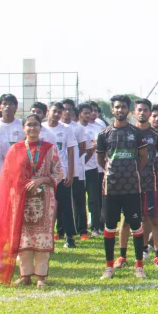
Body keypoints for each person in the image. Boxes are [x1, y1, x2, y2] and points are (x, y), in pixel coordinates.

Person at [0, 112, 65, 287]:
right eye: (29, 125)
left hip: (44, 200)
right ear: (23, 128)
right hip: (21, 201)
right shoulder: (15, 149)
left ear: (40, 128)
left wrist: (41, 180)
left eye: (35, 125)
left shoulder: (50, 148)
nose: (32, 128)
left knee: (42, 238)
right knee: (23, 239)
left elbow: (59, 173)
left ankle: (41, 277)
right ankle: (25, 276)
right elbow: (7, 177)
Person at [96, 95, 150, 279]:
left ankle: (139, 266)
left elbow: (144, 157)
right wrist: (111, 172)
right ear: (112, 110)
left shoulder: (136, 133)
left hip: (132, 188)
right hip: (110, 189)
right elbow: (100, 158)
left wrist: (133, 172)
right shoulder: (104, 134)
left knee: (136, 225)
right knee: (110, 226)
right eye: (117, 107)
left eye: (124, 107)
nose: (120, 110)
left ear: (128, 110)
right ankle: (109, 267)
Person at [40, 102, 78, 248]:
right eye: (54, 111)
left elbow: (70, 151)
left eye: (59, 112)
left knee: (65, 205)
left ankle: (70, 237)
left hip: (61, 173)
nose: (57, 114)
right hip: (44, 174)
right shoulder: (41, 128)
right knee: (44, 206)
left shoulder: (67, 130)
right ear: (49, 111)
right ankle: (45, 235)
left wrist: (71, 173)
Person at [61, 99, 92, 239]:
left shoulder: (78, 128)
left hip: (76, 171)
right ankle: (61, 230)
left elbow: (83, 148)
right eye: (64, 109)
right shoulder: (56, 127)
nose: (67, 112)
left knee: (79, 200)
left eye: (70, 110)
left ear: (74, 113)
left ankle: (82, 230)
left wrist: (73, 161)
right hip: (60, 171)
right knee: (62, 201)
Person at [80, 102, 105, 235]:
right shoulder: (78, 127)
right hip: (79, 169)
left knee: (95, 198)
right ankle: (82, 226)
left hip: (95, 167)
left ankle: (97, 226)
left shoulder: (100, 126)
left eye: (94, 111)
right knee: (79, 200)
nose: (92, 114)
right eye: (88, 112)